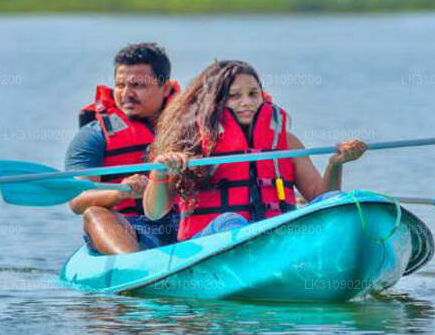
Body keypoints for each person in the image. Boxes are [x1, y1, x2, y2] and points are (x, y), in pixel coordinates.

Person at [143, 59, 367, 240]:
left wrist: (335, 164)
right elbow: (154, 211)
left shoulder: (286, 143)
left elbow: (323, 199)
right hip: (209, 244)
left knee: (341, 202)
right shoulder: (191, 146)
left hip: (275, 238)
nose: (246, 102)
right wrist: (161, 171)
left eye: (253, 94)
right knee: (230, 221)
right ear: (214, 101)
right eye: (234, 96)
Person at [66, 43, 180, 254]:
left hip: (187, 225)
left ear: (165, 88)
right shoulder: (92, 136)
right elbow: (77, 201)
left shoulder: (193, 127)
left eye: (138, 85)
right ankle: (133, 265)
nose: (126, 94)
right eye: (120, 85)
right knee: (94, 212)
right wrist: (120, 192)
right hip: (129, 229)